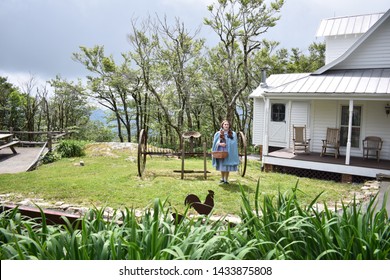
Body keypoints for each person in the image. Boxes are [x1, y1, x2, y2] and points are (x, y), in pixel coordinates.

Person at [212, 120, 239, 184]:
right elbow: (215, 143)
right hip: (221, 151)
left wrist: (229, 145)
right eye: (225, 124)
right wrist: (220, 144)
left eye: (227, 124)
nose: (226, 125)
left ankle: (226, 179)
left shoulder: (233, 134)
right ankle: (222, 178)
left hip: (229, 152)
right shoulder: (218, 133)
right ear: (222, 125)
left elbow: (234, 144)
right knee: (222, 166)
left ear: (229, 126)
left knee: (227, 166)